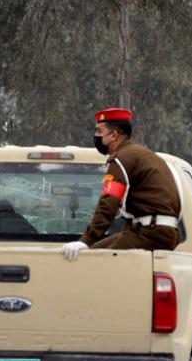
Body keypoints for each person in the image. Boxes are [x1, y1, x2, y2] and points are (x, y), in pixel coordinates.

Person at [60, 108, 182, 260]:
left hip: (149, 232)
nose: (95, 136)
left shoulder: (121, 159)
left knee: (94, 262)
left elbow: (109, 202)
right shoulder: (143, 155)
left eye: (99, 131)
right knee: (94, 252)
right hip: (159, 231)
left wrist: (85, 240)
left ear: (113, 135)